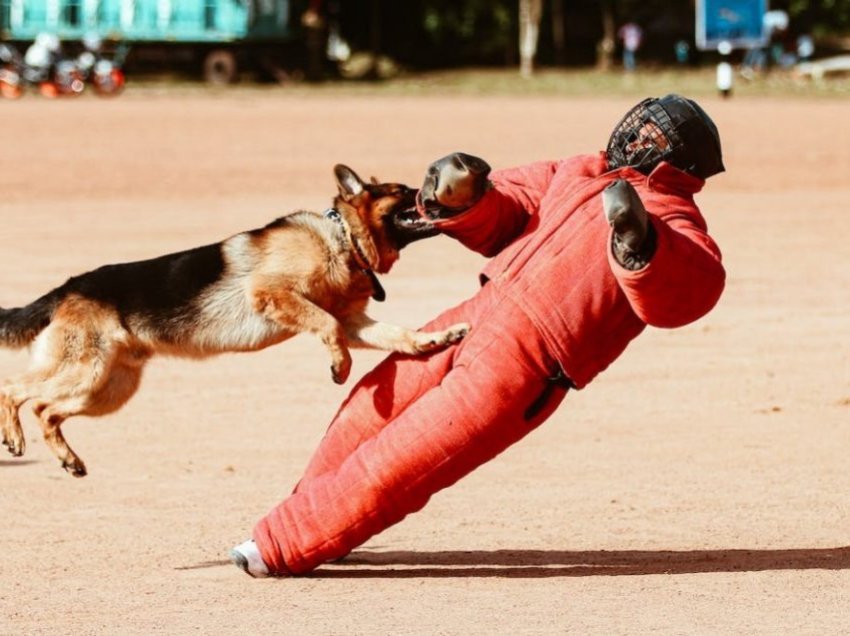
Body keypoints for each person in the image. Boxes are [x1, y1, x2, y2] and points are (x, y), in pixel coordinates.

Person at [230, 94, 727, 577]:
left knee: (401, 459)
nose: (636, 133)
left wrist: (641, 244)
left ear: (678, 161)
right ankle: (316, 522)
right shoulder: (581, 169)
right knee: (367, 408)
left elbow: (692, 289)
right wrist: (465, 196)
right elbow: (512, 206)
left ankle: (280, 546)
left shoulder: (676, 219)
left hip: (528, 364)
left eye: (655, 133)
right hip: (476, 314)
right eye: (642, 121)